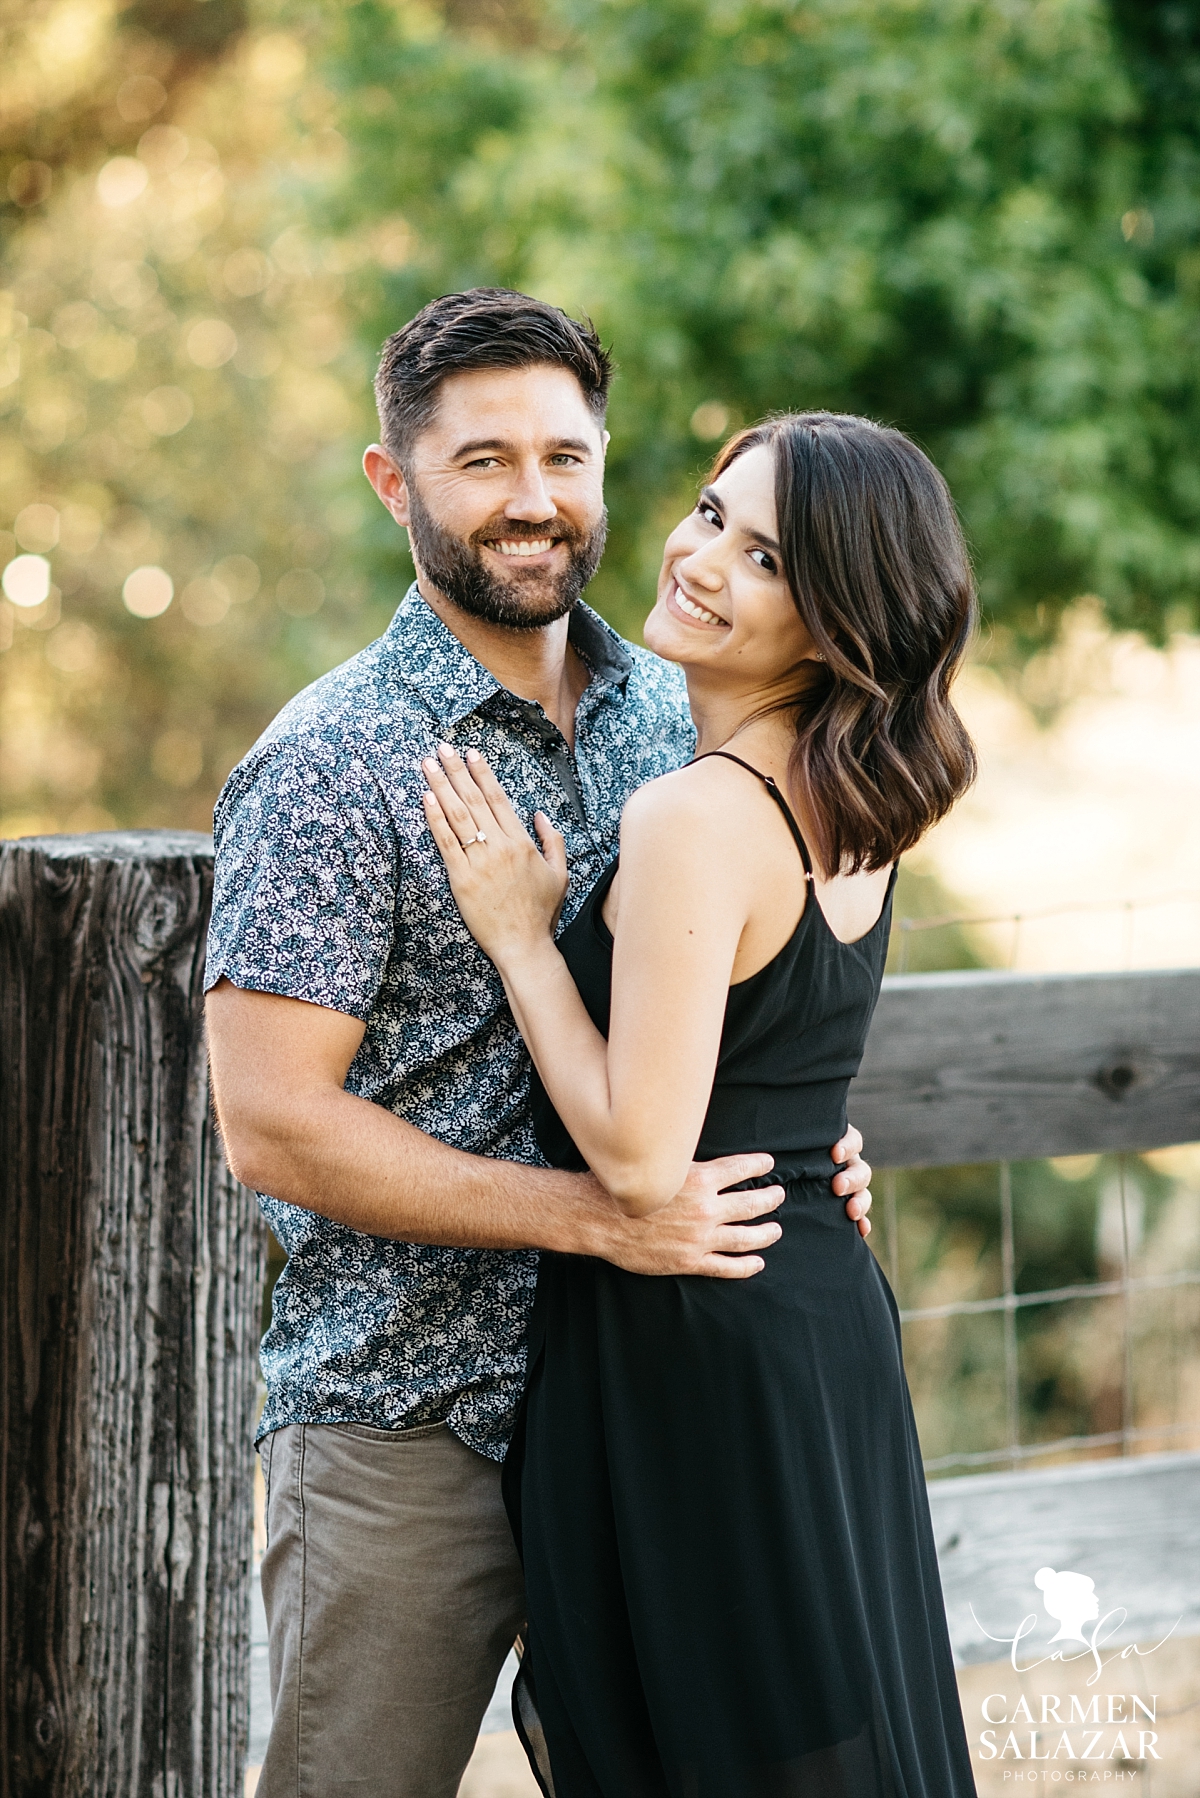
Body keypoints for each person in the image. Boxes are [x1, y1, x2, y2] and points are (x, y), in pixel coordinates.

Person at [203, 290, 875, 1798]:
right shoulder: (329, 763)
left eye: (566, 459)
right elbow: (275, 1124)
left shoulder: (674, 711)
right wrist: (603, 1214)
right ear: (396, 482)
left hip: (648, 1406)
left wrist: (796, 1129)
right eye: (483, 461)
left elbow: (723, 972)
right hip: (405, 1432)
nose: (535, 501)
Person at [422, 409, 979, 1796]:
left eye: (768, 554)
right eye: (712, 511)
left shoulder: (697, 811)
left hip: (701, 1345)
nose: (702, 556)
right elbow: (781, 1068)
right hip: (815, 1322)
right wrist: (815, 1157)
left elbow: (635, 1148)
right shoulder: (858, 799)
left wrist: (520, 935)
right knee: (825, 1730)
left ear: (840, 611)